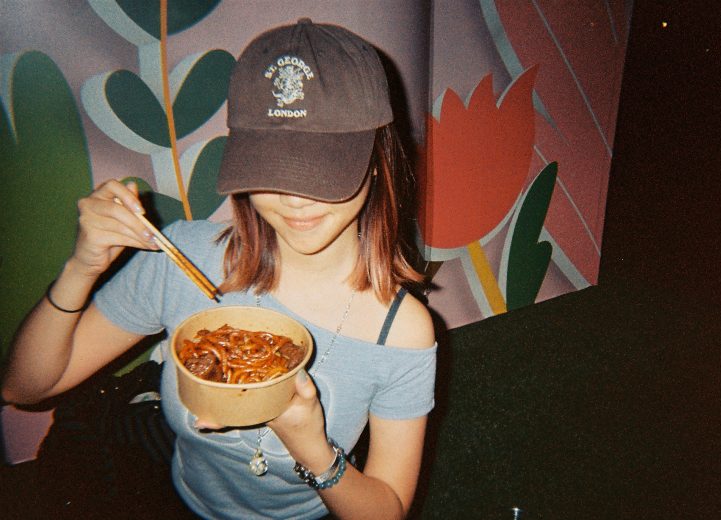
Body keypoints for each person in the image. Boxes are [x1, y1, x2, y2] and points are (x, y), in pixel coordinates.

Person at [1, 19, 436, 520]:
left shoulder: (401, 333)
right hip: (174, 496)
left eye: (321, 166)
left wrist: (311, 447)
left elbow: (387, 511)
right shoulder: (187, 259)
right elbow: (24, 387)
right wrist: (82, 266)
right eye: (271, 167)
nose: (294, 199)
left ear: (378, 161)